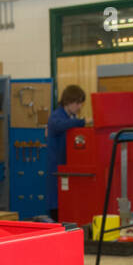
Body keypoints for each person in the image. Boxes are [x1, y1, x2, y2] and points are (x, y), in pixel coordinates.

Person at [45, 85, 87, 221]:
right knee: (57, 204)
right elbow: (59, 125)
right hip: (56, 168)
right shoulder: (56, 117)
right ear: (68, 101)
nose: (80, 106)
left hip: (67, 168)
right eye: (78, 103)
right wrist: (82, 122)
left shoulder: (71, 117)